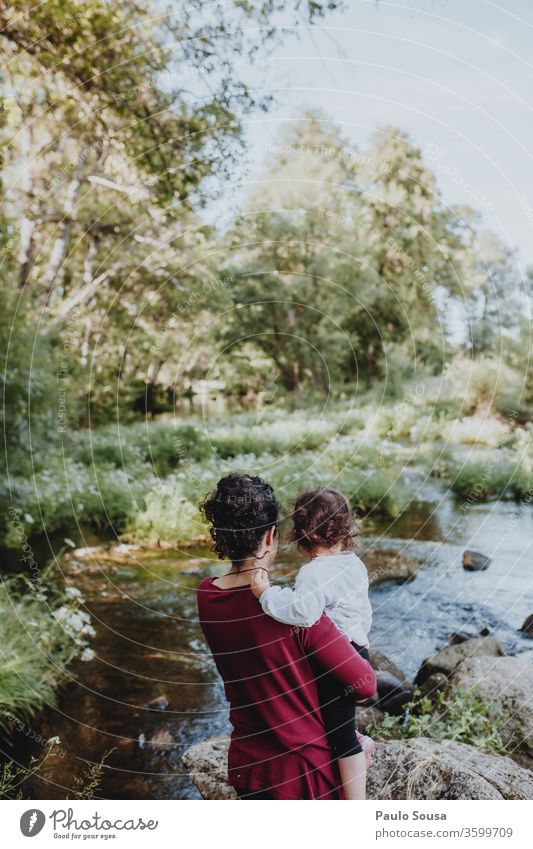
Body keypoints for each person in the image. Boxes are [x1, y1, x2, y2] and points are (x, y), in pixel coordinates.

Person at [197, 473, 376, 800]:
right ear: (269, 537)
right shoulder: (301, 616)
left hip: (248, 770)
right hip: (305, 775)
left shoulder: (207, 597)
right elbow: (365, 685)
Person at [250, 487, 374, 800]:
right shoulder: (353, 564)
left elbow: (304, 612)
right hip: (356, 651)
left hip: (335, 659)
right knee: (330, 719)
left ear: (302, 535)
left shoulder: (314, 573)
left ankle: (355, 800)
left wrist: (266, 594)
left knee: (340, 734)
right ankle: (357, 740)